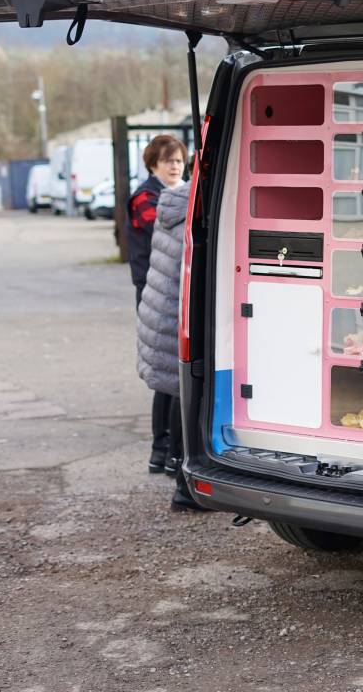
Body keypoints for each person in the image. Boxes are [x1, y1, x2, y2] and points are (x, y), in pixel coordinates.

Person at [136, 173, 207, 511]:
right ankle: (184, 485)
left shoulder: (172, 203)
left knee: (177, 394)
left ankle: (168, 461)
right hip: (176, 319)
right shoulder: (195, 212)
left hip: (161, 316)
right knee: (187, 398)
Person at [129, 135, 186, 474]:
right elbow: (161, 229)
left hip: (167, 292)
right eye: (168, 160)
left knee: (168, 374)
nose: (175, 166)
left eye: (178, 160)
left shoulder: (179, 195)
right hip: (155, 294)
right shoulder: (147, 199)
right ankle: (161, 449)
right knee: (165, 375)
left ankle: (164, 453)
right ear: (153, 164)